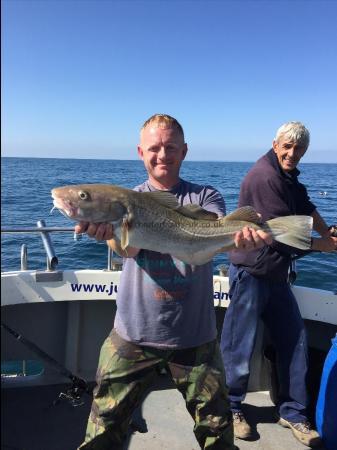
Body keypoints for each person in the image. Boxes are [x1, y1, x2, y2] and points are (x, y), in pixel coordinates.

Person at [75, 113, 270, 450]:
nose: (162, 155)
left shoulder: (205, 196)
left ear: (184, 151)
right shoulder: (128, 199)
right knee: (102, 433)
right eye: (154, 148)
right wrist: (105, 226)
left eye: (171, 147)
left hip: (195, 337)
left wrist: (241, 236)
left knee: (218, 436)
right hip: (133, 335)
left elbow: (214, 241)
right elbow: (127, 247)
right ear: (140, 151)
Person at [220, 121, 337, 447]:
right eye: (287, 146)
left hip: (276, 275)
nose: (292, 153)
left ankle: (293, 413)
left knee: (295, 339)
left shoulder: (288, 176)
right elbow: (278, 235)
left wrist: (327, 232)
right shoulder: (264, 176)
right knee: (238, 346)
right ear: (275, 144)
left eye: (299, 149)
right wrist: (320, 246)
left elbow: (305, 205)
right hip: (251, 273)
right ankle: (232, 408)